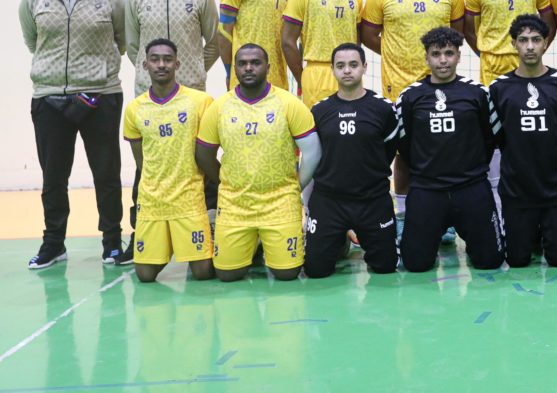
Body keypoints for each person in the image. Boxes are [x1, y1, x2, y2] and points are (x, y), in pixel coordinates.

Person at [20, 0, 127, 268]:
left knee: (106, 175)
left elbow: (122, 40)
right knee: (53, 178)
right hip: (49, 98)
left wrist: (95, 73)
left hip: (100, 96)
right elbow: (33, 41)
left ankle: (112, 242)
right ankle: (53, 244)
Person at [360, 0, 465, 235]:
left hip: (440, 85)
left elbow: (456, 34)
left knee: (442, 147)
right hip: (399, 86)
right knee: (403, 153)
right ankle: (404, 215)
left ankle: (445, 218)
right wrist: (396, 55)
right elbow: (369, 34)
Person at [123, 0, 219, 264]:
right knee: (147, 168)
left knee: (200, 162)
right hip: (149, 99)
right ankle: (139, 234)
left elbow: (214, 42)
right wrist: (157, 76)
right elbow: (133, 46)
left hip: (192, 98)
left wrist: (192, 71)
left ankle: (207, 232)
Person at [195, 44, 321, 281]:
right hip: (235, 203)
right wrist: (225, 181)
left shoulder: (288, 103)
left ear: (268, 67)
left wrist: (296, 186)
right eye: (242, 63)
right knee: (227, 274)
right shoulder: (220, 107)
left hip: (280, 201)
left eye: (255, 63)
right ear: (235, 68)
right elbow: (203, 154)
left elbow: (313, 152)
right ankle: (254, 243)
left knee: (287, 274)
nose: (248, 68)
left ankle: (266, 241)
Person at [395, 27, 503, 272]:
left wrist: (471, 170)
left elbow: (490, 139)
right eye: (436, 54)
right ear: (426, 58)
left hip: (471, 187)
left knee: (490, 261)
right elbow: (404, 145)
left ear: (458, 56)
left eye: (449, 53)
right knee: (416, 265)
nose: (442, 60)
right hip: (427, 190)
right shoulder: (410, 97)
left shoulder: (478, 93)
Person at [489, 14, 557, 267]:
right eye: (523, 40)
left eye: (536, 40)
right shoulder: (498, 88)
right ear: (514, 44)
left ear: (545, 43)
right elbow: (499, 137)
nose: (530, 46)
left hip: (556, 188)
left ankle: (552, 230)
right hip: (517, 190)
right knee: (517, 260)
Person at [123, 39, 215, 281]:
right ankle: (168, 242)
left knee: (203, 273)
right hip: (153, 202)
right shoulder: (134, 109)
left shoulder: (200, 102)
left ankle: (209, 231)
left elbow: (209, 152)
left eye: (167, 59)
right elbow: (141, 162)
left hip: (188, 199)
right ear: (145, 65)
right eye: (155, 59)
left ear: (177, 64)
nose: (161, 64)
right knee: (144, 275)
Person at [306, 43, 400, 277]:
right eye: (340, 66)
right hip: (329, 201)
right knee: (315, 270)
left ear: (365, 67)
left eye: (353, 65)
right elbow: (313, 156)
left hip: (372, 200)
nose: (347, 70)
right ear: (332, 69)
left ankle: (353, 234)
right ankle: (341, 238)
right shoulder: (319, 111)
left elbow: (388, 152)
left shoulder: (383, 108)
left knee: (386, 268)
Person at [282, 0, 362, 108]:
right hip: (317, 73)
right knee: (320, 124)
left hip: (348, 71)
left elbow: (357, 38)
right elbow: (287, 42)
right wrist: (302, 78)